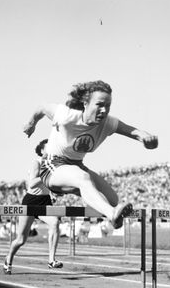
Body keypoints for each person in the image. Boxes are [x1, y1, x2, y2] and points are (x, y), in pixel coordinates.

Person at [22, 80, 158, 229]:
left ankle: (102, 203)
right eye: (99, 104)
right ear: (86, 103)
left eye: (108, 106)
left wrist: (146, 137)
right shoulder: (66, 116)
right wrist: (31, 123)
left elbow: (132, 131)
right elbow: (42, 107)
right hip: (52, 165)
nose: (104, 110)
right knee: (84, 179)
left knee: (112, 199)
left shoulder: (107, 123)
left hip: (77, 166)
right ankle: (112, 215)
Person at [4, 139, 63, 275]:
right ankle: (8, 259)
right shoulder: (37, 162)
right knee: (21, 240)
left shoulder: (53, 164)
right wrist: (48, 175)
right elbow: (32, 184)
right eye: (49, 147)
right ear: (42, 150)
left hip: (44, 200)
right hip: (31, 201)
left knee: (55, 222)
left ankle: (51, 260)